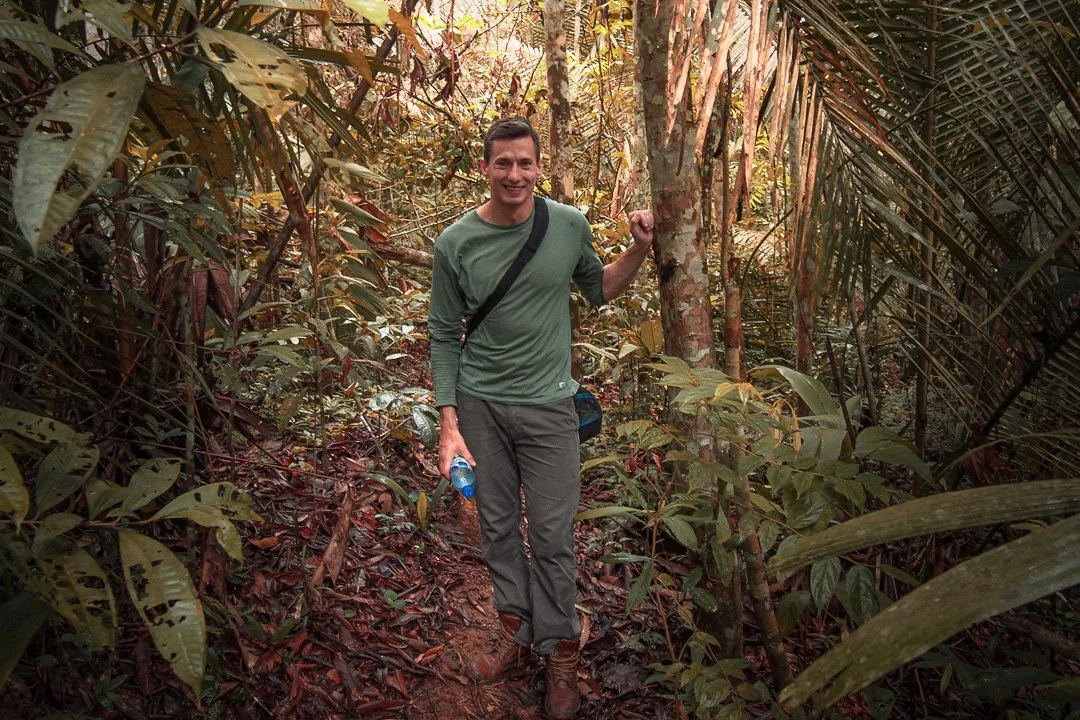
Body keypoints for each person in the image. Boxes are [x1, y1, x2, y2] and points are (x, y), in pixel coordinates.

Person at [427, 117, 655, 719]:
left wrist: (638, 248)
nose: (515, 175)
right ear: (485, 168)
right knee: (499, 528)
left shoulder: (568, 226)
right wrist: (450, 425)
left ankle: (559, 657)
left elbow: (599, 289)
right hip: (480, 406)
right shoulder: (456, 243)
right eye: (503, 163)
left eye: (525, 163)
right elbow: (444, 336)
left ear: (538, 167)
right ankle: (515, 634)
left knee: (552, 538)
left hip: (551, 407)